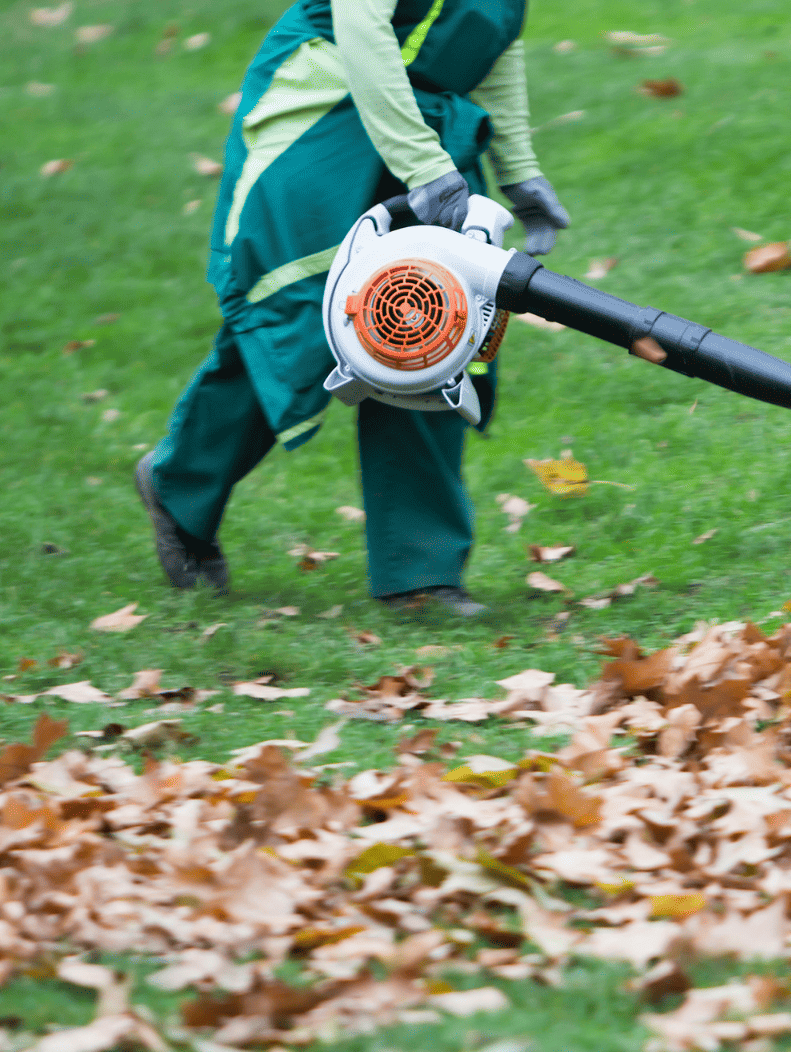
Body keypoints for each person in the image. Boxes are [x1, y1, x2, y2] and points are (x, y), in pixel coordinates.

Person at [136, 0, 567, 616]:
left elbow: (492, 32)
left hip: (429, 129)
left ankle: (420, 574)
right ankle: (179, 486)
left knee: (436, 328)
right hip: (327, 106)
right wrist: (423, 166)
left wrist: (519, 170)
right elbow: (362, 26)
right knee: (305, 325)